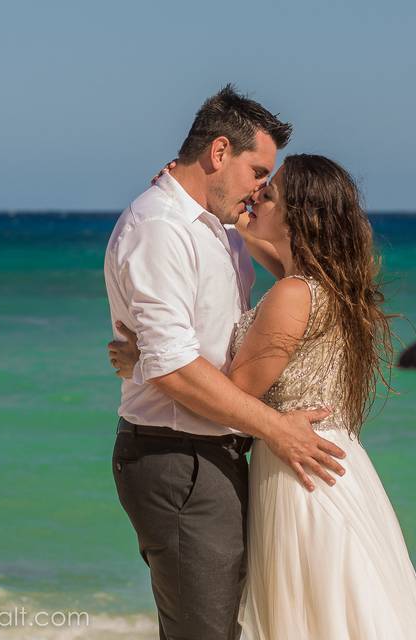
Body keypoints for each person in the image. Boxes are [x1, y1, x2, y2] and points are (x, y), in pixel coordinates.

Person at [110, 154, 416, 639]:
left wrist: (148, 361)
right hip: (330, 464)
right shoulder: (328, 281)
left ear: (300, 217)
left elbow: (238, 394)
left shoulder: (292, 293)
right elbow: (274, 250)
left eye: (269, 194)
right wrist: (200, 200)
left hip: (298, 475)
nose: (256, 195)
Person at [104, 86, 347, 640]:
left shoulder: (216, 224)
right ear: (219, 153)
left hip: (222, 454)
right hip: (179, 456)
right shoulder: (161, 229)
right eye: (258, 170)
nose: (261, 188)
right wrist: (278, 430)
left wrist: (147, 361)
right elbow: (172, 367)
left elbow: (291, 259)